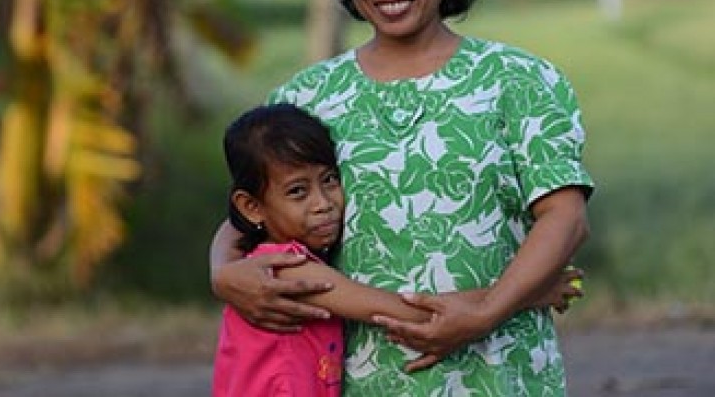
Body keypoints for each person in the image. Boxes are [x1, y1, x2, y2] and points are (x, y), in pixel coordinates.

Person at [209, 0, 594, 396]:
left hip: (503, 377)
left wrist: (488, 312)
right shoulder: (306, 97)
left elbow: (566, 218)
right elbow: (253, 217)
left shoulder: (520, 81)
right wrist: (222, 273)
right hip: (356, 382)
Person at [212, 103, 578, 397]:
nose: (323, 203)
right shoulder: (284, 270)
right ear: (251, 207)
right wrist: (532, 293)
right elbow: (403, 311)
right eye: (297, 191)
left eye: (330, 181)